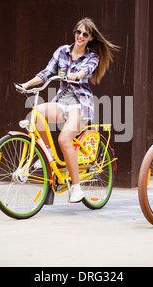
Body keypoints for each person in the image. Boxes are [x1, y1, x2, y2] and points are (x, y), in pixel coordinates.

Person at [19, 18, 118, 203]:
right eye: (78, 32)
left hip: (80, 104)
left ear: (90, 38)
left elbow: (87, 71)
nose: (80, 36)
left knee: (64, 139)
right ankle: (47, 155)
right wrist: (26, 84)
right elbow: (46, 72)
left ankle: (76, 188)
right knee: (35, 113)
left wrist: (77, 75)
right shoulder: (62, 51)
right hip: (62, 101)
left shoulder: (92, 56)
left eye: (85, 34)